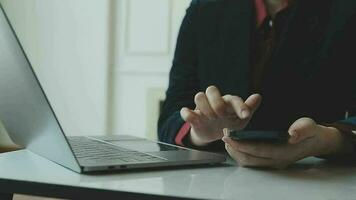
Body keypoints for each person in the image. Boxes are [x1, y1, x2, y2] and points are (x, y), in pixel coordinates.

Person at [158, 0, 356, 169]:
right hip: (217, 182)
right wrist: (198, 130)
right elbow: (171, 114)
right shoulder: (206, 7)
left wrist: (328, 140)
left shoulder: (346, 9)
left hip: (319, 180)